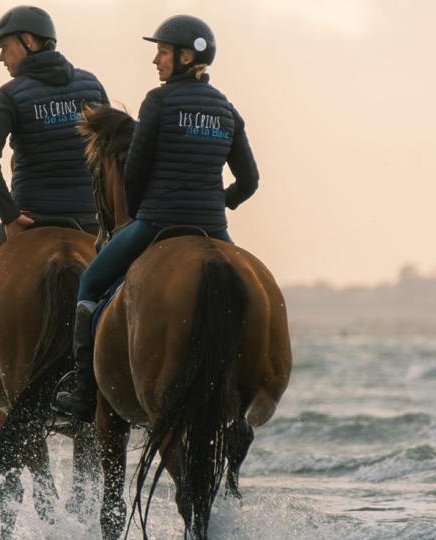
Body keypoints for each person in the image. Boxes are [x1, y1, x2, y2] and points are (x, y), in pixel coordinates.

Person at [53, 15, 260, 421]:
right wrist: (220, 202)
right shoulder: (226, 109)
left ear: (185, 56)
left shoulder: (159, 101)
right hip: (214, 227)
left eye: (162, 52)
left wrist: (138, 214)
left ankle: (81, 390)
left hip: (157, 221)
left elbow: (135, 170)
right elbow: (250, 180)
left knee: (91, 280)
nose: (155, 60)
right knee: (245, 299)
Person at [0, 5, 108, 425]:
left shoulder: (12, 95)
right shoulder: (90, 85)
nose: (2, 58)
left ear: (29, 42)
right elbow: (111, 152)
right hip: (89, 223)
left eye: (5, 47)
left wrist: (11, 217)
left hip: (33, 220)